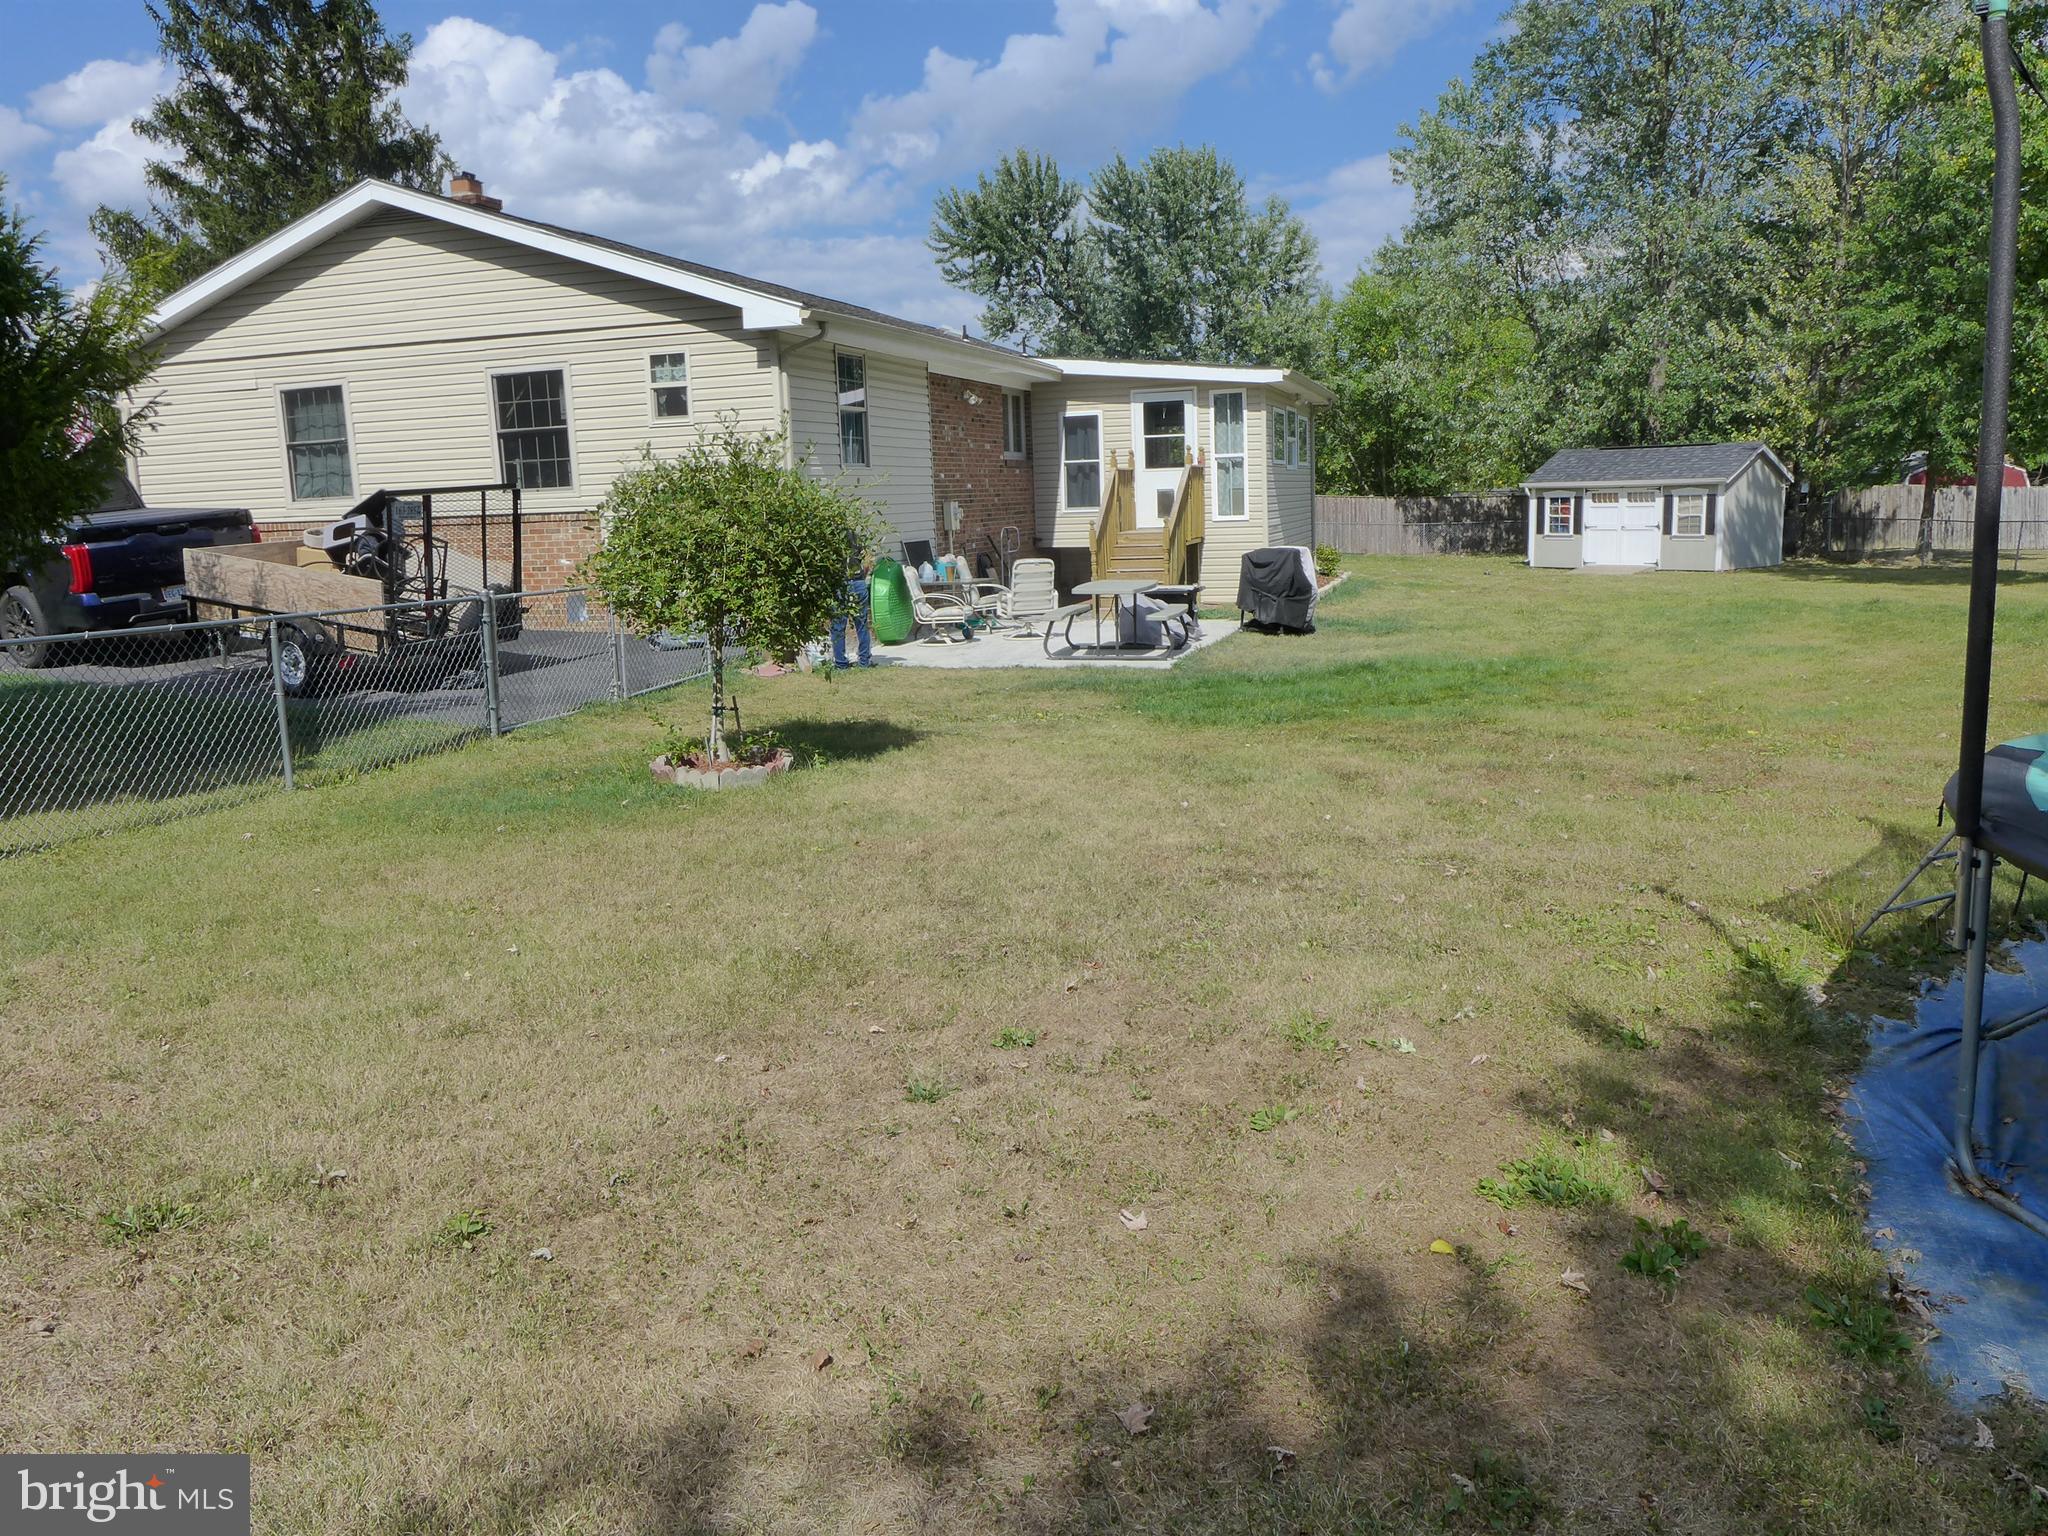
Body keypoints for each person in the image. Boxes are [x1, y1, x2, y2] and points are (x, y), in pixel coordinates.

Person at [830, 529, 876, 668]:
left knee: (838, 625)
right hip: (858, 583)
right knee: (861, 624)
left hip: (840, 584)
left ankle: (841, 663)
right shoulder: (855, 537)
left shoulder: (831, 537)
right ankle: (864, 661)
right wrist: (862, 575)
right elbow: (868, 559)